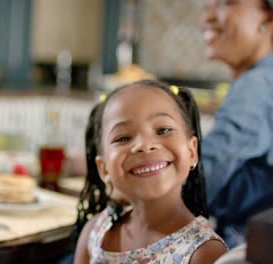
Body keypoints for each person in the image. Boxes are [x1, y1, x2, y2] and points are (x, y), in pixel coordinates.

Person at [74, 80, 227, 263]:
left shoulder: (205, 253)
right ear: (104, 168)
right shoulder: (95, 232)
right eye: (123, 138)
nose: (144, 146)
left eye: (163, 130)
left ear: (192, 152)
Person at [201, 0, 273, 247]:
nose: (207, 17)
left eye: (225, 2)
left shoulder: (258, 84)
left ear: (268, 18)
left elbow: (202, 178)